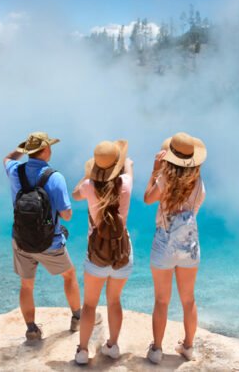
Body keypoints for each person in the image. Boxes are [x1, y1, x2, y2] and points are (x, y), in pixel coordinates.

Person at [3, 131, 85, 341]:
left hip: (21, 239)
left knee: (26, 284)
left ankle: (31, 330)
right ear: (46, 150)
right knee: (69, 275)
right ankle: (78, 318)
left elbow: (7, 158)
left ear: (29, 151)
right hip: (50, 242)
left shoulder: (15, 171)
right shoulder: (55, 177)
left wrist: (21, 149)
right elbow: (66, 214)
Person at [143, 132, 207, 364]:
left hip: (164, 243)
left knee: (162, 300)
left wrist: (155, 170)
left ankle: (157, 350)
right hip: (189, 244)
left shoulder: (164, 179)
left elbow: (148, 199)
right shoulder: (198, 181)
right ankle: (188, 346)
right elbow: (196, 206)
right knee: (188, 299)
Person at [71, 140, 134, 365]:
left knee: (89, 305)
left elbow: (75, 194)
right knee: (114, 301)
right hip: (121, 254)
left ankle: (82, 351)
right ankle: (112, 346)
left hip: (96, 255)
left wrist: (87, 174)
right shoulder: (126, 183)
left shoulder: (88, 186)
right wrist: (124, 162)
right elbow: (129, 167)